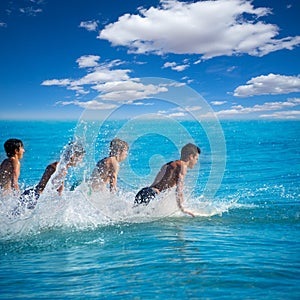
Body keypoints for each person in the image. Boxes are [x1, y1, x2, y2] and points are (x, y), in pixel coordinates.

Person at [16, 141, 85, 212]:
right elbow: (42, 189)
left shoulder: (63, 169)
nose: (81, 160)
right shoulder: (56, 167)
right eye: (81, 157)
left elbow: (58, 192)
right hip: (31, 198)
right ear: (73, 155)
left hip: (34, 197)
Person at [134, 143, 200, 217]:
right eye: (196, 159)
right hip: (152, 195)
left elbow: (160, 184)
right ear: (191, 157)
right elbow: (179, 190)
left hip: (145, 191)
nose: (196, 162)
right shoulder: (183, 166)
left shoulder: (170, 164)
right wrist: (182, 209)